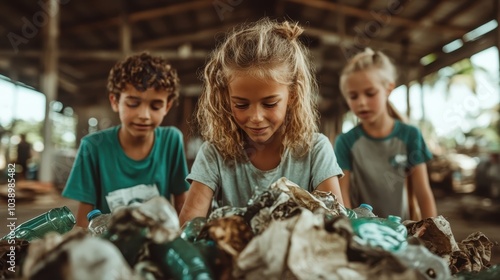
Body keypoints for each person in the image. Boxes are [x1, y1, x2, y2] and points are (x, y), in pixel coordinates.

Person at [179, 18, 344, 226]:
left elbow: (335, 222)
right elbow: (189, 226)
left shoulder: (316, 151)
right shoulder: (214, 154)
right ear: (225, 98)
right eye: (241, 105)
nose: (256, 117)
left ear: (292, 95)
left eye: (269, 104)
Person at [62, 52, 190, 227]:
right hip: (109, 246)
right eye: (133, 103)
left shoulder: (171, 140)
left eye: (155, 106)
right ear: (115, 101)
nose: (144, 115)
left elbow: (182, 205)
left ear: (167, 106)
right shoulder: (92, 147)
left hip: (159, 242)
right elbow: (84, 220)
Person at [334, 48, 437, 220]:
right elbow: (342, 196)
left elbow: (423, 193)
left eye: (370, 93)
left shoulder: (411, 135)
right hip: (363, 233)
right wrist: (351, 231)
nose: (362, 102)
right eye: (353, 96)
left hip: (403, 232)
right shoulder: (345, 142)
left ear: (388, 89)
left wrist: (435, 236)